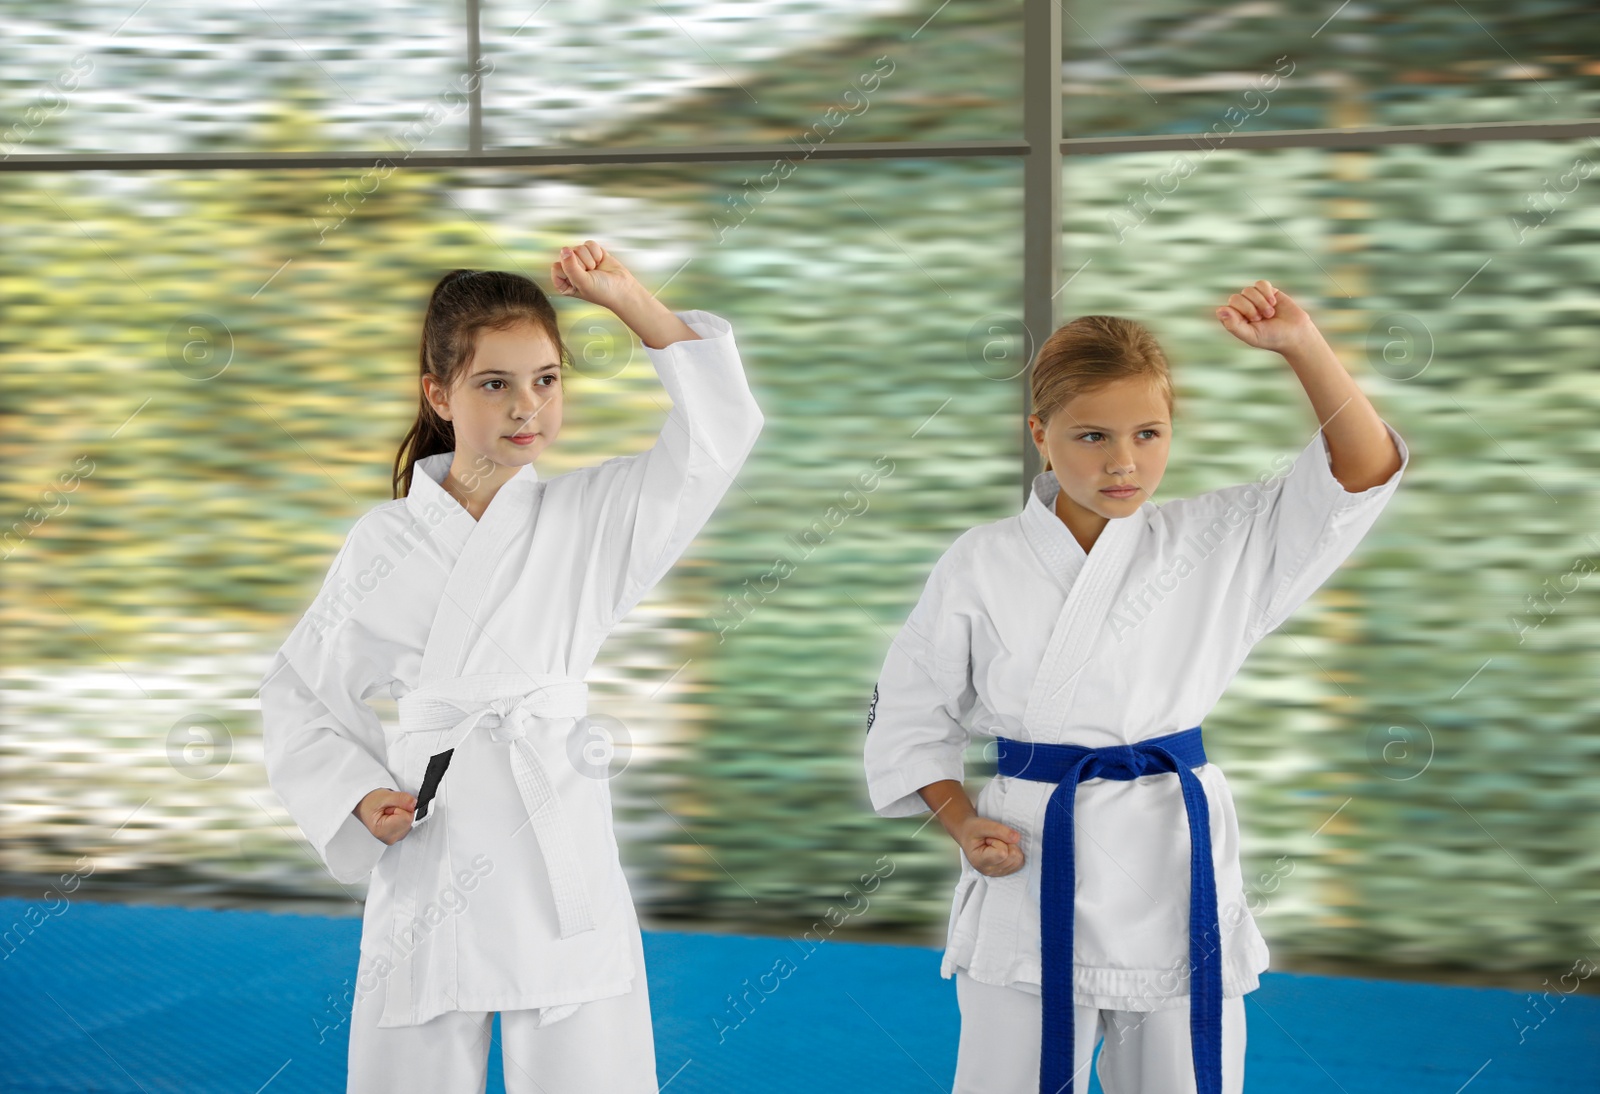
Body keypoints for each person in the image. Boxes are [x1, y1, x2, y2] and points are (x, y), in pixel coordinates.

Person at [863, 280, 1409, 1094]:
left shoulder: (1216, 539)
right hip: (1033, 846)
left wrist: (1304, 346)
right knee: (1006, 1079)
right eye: (1092, 436)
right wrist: (963, 820)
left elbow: (1357, 475)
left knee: (1181, 1077)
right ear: (1040, 437)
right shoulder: (980, 561)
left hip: (1172, 848)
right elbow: (915, 713)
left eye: (1149, 434)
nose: (1124, 462)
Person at [259, 242, 763, 1093]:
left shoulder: (592, 516)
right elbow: (303, 691)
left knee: (584, 1054)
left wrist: (629, 298)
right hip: (435, 829)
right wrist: (356, 794)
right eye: (495, 383)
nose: (527, 406)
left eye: (547, 380)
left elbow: (719, 437)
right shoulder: (384, 542)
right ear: (439, 394)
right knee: (413, 1054)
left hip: (555, 822)